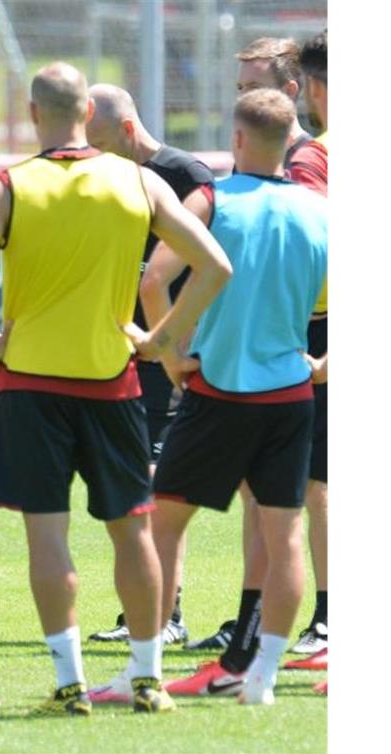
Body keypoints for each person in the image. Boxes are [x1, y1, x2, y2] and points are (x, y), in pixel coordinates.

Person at [0, 61, 231, 716]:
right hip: (113, 383)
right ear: (88, 115)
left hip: (31, 384)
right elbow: (216, 265)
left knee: (49, 537)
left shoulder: (9, 186)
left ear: (33, 111)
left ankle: (71, 684)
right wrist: (163, 339)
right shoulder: (138, 180)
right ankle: (148, 678)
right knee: (132, 532)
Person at [142, 89, 327, 706]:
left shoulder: (214, 198)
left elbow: (153, 279)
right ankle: (263, 679)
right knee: (285, 537)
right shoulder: (320, 208)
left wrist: (169, 355)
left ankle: (145, 666)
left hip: (218, 390)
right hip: (292, 394)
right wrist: (325, 365)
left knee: (163, 522)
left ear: (238, 140)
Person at [181, 35, 327, 662]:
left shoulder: (304, 166)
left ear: (292, 92)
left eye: (250, 89)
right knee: (274, 496)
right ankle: (252, 635)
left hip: (294, 336)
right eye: (238, 89)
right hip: (290, 341)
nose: (240, 101)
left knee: (302, 494)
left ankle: (317, 624)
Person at [84, 83, 215, 651]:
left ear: (130, 130)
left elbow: (186, 270)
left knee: (160, 489)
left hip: (170, 354)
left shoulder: (186, 176)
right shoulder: (104, 178)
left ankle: (169, 613)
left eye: (102, 143)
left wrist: (172, 347)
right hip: (118, 352)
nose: (95, 157)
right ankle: (146, 609)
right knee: (130, 485)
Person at [283, 30, 328, 673]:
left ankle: (329, 619)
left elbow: (311, 242)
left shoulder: (316, 158)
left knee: (318, 487)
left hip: (324, 327)